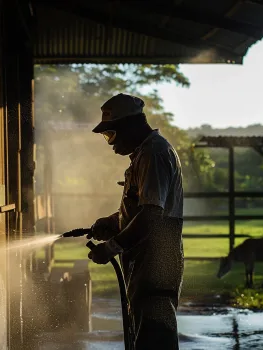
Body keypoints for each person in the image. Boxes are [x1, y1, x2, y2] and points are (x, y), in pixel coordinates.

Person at [86, 93, 184, 350]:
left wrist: (112, 247)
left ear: (130, 125)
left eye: (111, 134)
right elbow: (140, 210)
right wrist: (113, 221)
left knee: (155, 339)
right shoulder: (144, 154)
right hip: (145, 261)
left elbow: (152, 215)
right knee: (145, 336)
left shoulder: (155, 153)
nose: (111, 144)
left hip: (157, 262)